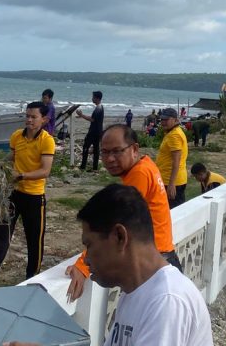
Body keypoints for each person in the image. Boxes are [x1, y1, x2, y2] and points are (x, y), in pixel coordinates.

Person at [81, 185, 213, 345]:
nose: (86, 259)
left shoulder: (167, 301)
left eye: (89, 245)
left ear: (120, 237)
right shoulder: (133, 292)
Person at [66, 123, 183, 301]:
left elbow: (112, 224)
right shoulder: (146, 164)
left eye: (117, 151)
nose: (110, 159)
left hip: (150, 264)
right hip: (163, 257)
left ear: (134, 149)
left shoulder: (139, 174)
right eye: (105, 152)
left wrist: (83, 265)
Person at [0, 101, 56, 286]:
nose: (29, 120)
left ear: (44, 119)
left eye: (34, 117)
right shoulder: (17, 136)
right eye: (27, 116)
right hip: (13, 195)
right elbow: (12, 158)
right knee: (1, 236)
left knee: (35, 240)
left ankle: (31, 280)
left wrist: (21, 176)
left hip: (34, 197)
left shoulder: (47, 140)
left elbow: (45, 171)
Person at [156, 107, 189, 208]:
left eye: (166, 120)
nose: (163, 122)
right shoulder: (174, 132)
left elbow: (176, 160)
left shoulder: (174, 135)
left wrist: (171, 184)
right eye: (162, 120)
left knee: (173, 213)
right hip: (172, 179)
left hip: (172, 181)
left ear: (175, 119)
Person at [77, 90, 105, 171]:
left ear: (97, 98)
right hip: (99, 131)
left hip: (93, 131)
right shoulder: (100, 107)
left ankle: (83, 166)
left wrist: (81, 115)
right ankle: (95, 167)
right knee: (96, 149)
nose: (92, 99)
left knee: (86, 147)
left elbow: (92, 119)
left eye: (93, 97)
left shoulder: (98, 108)